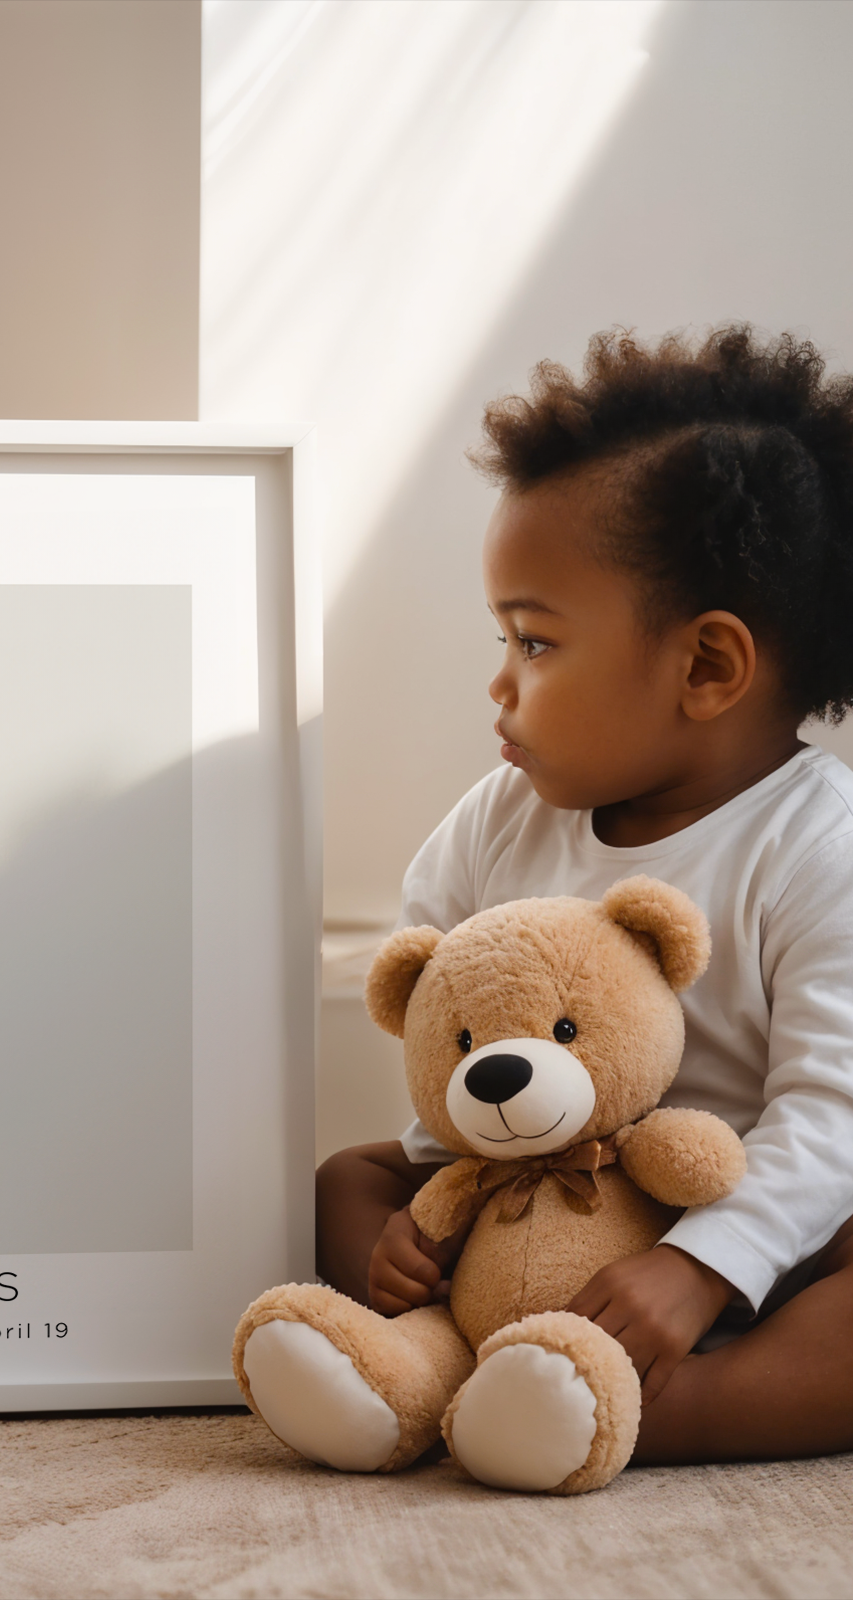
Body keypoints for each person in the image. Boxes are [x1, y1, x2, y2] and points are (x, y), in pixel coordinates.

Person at [317, 326, 853, 1463]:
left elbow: (831, 1119)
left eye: (536, 640)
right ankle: (431, 1352)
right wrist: (424, 1220)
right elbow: (440, 1033)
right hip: (526, 1201)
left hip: (745, 1242)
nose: (500, 681)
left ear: (705, 667)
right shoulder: (499, 819)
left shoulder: (818, 842)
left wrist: (701, 1264)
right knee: (342, 1182)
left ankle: (652, 1413)